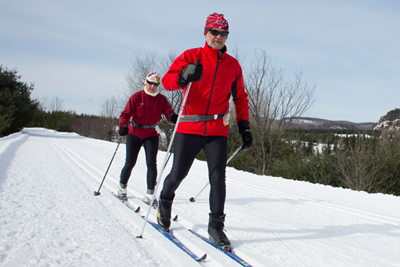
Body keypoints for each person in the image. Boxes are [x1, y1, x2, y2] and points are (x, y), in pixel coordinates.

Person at [157, 13, 253, 250]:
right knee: (178, 173)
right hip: (189, 125)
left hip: (217, 129)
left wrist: (245, 126)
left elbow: (240, 97)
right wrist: (182, 76)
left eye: (223, 33)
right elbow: (167, 81)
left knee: (218, 177)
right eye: (214, 32)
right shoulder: (192, 56)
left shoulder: (233, 65)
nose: (218, 37)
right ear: (206, 32)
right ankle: (165, 202)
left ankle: (216, 227)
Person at [118, 72, 177, 206]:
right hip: (134, 132)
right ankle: (122, 188)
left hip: (151, 134)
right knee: (130, 162)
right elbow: (126, 113)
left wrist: (172, 116)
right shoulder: (137, 96)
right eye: (150, 83)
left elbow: (168, 111)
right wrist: (123, 126)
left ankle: (150, 195)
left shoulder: (161, 99)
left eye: (155, 84)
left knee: (151, 164)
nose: (152, 86)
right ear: (145, 82)